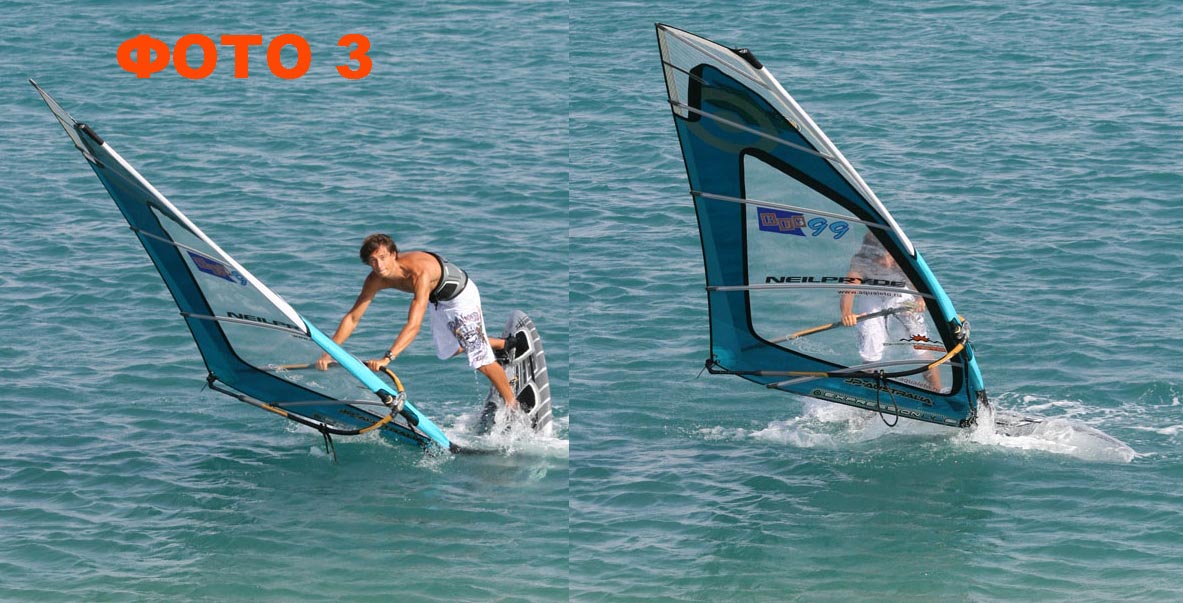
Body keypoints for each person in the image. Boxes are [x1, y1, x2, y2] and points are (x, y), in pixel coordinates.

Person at [316, 233, 518, 409]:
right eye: (373, 261)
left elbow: (414, 325)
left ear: (394, 254)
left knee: (480, 360)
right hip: (438, 300)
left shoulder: (418, 273)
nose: (379, 265)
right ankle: (502, 345)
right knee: (448, 351)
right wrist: (328, 352)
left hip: (460, 297)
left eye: (383, 258)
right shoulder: (374, 280)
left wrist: (387, 358)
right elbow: (353, 317)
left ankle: (512, 405)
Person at [838, 232, 942, 390]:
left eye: (889, 256)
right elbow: (849, 290)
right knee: (870, 345)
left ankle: (938, 391)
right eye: (880, 258)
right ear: (870, 254)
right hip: (871, 294)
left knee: (920, 345)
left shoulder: (900, 259)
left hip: (900, 292)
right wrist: (847, 314)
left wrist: (920, 300)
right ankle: (869, 393)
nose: (887, 263)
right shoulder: (860, 261)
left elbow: (917, 283)